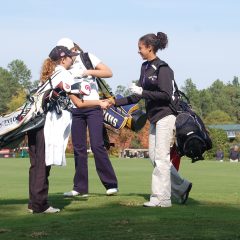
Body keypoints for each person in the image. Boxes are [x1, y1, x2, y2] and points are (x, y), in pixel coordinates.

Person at [111, 32, 192, 207]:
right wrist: (114, 102)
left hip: (166, 115)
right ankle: (182, 186)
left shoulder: (163, 68)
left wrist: (143, 92)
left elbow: (165, 95)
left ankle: (161, 199)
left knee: (161, 159)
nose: (138, 51)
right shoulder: (144, 68)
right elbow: (135, 97)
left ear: (150, 47)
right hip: (154, 117)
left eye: (140, 48)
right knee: (154, 158)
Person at [28, 45, 110, 214]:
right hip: (45, 124)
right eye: (71, 57)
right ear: (63, 59)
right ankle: (40, 205)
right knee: (43, 164)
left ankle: (34, 203)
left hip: (33, 123)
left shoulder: (49, 74)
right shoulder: (64, 74)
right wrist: (97, 99)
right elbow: (79, 96)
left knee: (36, 165)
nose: (73, 59)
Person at [56, 38, 118, 197]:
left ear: (74, 48)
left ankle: (111, 184)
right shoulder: (63, 65)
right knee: (78, 147)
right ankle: (80, 188)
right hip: (76, 108)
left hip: (94, 107)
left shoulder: (86, 57)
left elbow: (108, 72)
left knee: (97, 145)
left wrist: (87, 72)